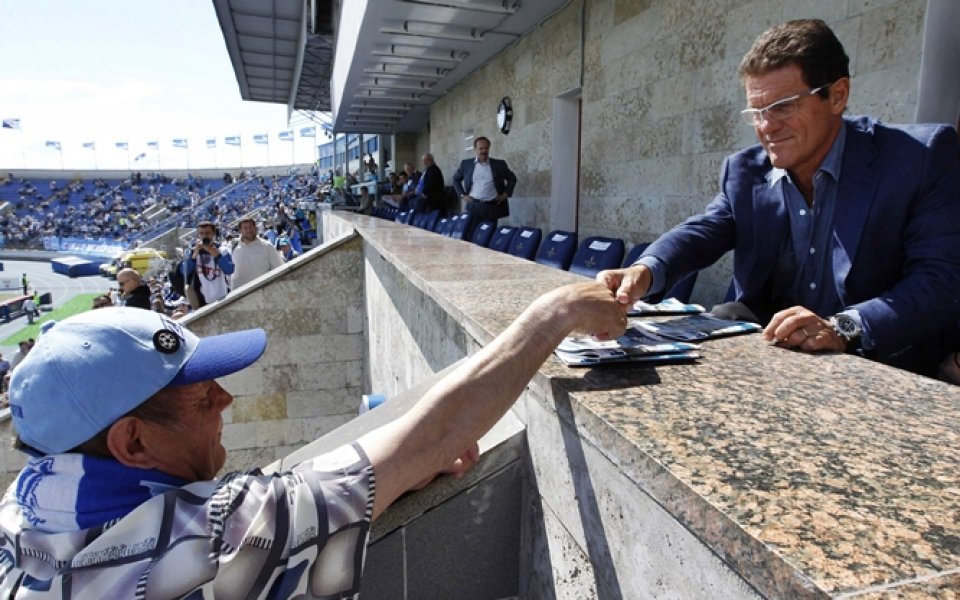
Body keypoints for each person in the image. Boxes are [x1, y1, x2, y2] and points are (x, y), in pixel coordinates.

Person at [0, 282, 624, 596]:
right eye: (199, 394)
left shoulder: (21, 509)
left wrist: (403, 470)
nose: (226, 399)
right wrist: (555, 313)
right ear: (132, 444)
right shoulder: (209, 536)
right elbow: (437, 436)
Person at [597, 19, 960, 378]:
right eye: (756, 112)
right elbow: (705, 230)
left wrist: (845, 327)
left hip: (874, 362)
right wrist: (644, 271)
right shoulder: (744, 171)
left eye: (783, 106)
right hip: (775, 354)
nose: (767, 126)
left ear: (837, 96)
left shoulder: (919, 158)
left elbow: (940, 279)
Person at [453, 136, 517, 238]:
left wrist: (505, 194)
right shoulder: (466, 164)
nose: (484, 151)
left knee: (488, 237)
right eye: (481, 148)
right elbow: (456, 180)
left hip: (491, 207)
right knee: (471, 236)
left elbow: (512, 179)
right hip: (473, 206)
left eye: (486, 148)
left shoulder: (499, 164)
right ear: (475, 150)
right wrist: (462, 195)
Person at [181, 221, 235, 308]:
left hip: (224, 296)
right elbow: (184, 272)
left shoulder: (222, 249)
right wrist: (194, 256)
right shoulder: (192, 252)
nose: (205, 236)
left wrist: (217, 255)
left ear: (213, 234)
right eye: (201, 233)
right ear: (198, 235)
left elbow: (229, 270)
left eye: (207, 233)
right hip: (203, 300)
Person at [230, 217, 285, 289]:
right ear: (240, 231)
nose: (249, 230)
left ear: (255, 228)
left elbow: (279, 268)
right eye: (245, 228)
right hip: (245, 295)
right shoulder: (236, 250)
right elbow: (236, 276)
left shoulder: (266, 246)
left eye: (251, 226)